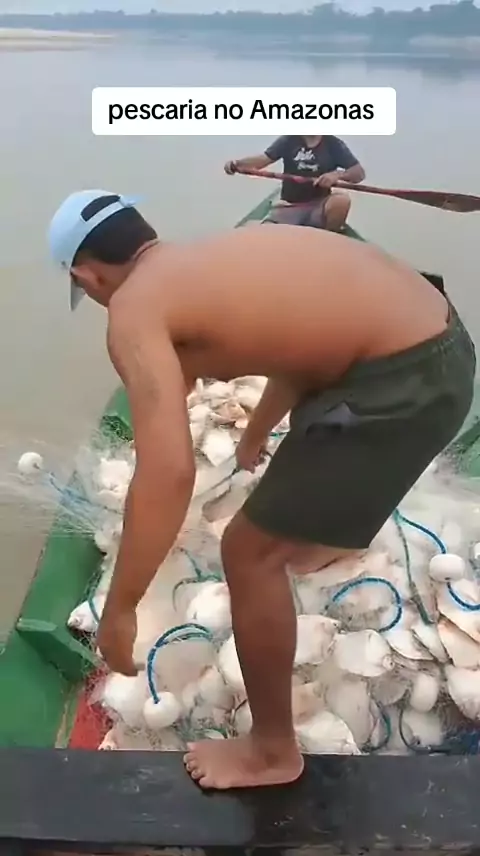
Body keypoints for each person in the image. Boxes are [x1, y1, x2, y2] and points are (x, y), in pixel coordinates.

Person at [48, 190, 475, 791]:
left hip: (402, 384)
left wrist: (121, 610)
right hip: (443, 344)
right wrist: (254, 432)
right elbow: (304, 353)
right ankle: (328, 539)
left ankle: (271, 752)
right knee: (296, 490)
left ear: (87, 275)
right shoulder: (208, 260)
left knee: (247, 553)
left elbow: (169, 473)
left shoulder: (133, 310)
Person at [224, 135, 365, 231]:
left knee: (341, 200)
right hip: (289, 206)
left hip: (318, 206)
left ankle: (329, 238)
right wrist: (237, 164)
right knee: (264, 234)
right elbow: (264, 159)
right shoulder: (289, 140)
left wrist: (337, 175)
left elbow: (359, 173)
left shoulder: (333, 144)